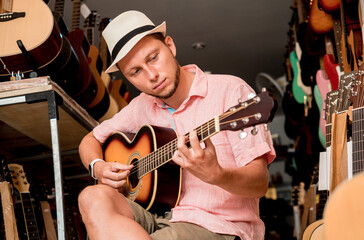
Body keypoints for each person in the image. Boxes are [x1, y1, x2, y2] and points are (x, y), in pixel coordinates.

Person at [78, 10, 276, 240]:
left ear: (170, 46)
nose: (152, 75)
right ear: (127, 77)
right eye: (136, 71)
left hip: (220, 226)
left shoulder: (231, 91)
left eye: (153, 58)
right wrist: (98, 167)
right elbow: (90, 140)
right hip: (160, 217)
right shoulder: (140, 106)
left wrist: (217, 174)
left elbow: (260, 184)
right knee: (90, 197)